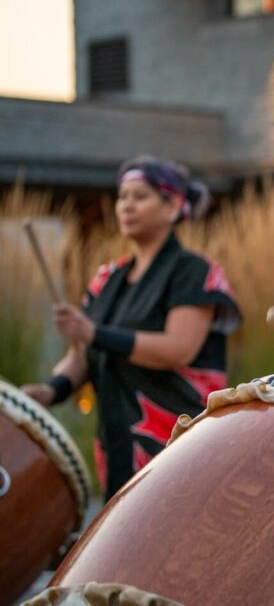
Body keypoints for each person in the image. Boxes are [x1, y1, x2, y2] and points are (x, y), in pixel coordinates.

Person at [23, 157, 241, 500]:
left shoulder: (194, 272)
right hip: (116, 437)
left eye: (140, 196)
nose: (126, 205)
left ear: (172, 207)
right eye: (122, 196)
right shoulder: (107, 279)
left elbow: (178, 348)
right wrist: (51, 391)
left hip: (179, 439)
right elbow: (82, 355)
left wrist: (93, 332)